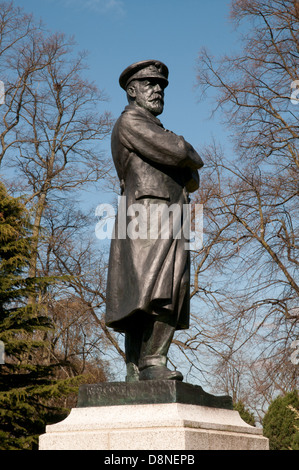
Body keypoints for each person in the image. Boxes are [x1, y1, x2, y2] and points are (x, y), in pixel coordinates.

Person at [105, 60, 203, 382]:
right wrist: (184, 151)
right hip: (149, 217)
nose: (158, 90)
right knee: (158, 290)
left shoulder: (150, 126)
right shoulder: (131, 121)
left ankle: (139, 367)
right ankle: (149, 362)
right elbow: (178, 152)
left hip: (164, 214)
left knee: (154, 292)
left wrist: (185, 159)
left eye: (160, 85)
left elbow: (193, 177)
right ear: (132, 90)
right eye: (150, 84)